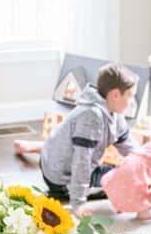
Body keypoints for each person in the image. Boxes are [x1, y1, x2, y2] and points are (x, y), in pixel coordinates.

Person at [38, 63, 137, 214]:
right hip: (61, 177)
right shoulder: (91, 116)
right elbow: (81, 162)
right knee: (121, 181)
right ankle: (70, 192)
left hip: (58, 160)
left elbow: (132, 151)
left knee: (127, 173)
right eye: (130, 95)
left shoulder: (116, 117)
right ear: (116, 94)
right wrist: (78, 204)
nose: (131, 101)